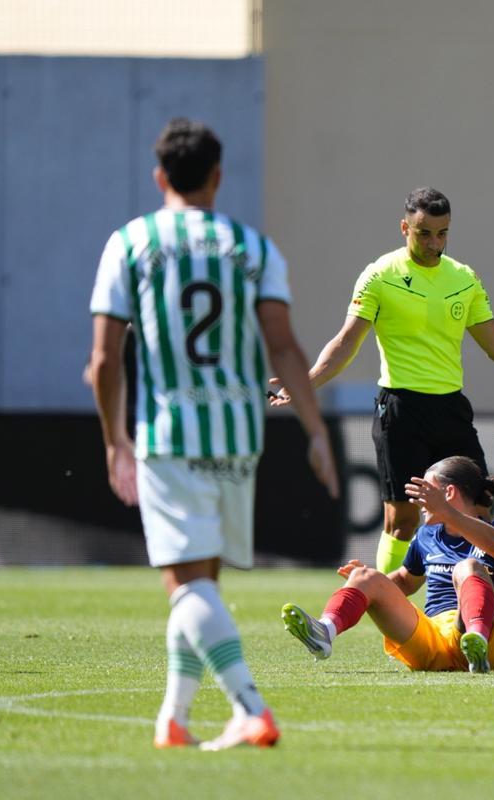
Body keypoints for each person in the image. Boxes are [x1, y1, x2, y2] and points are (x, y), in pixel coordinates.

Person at [89, 118, 341, 750]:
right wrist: (315, 431)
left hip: (170, 433)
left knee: (187, 584)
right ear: (218, 177)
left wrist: (115, 439)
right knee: (201, 581)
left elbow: (105, 359)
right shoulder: (252, 248)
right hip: (237, 435)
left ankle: (250, 707)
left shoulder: (132, 242)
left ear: (160, 177)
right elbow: (284, 346)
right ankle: (174, 719)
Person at [270, 187, 494, 658]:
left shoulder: (463, 278)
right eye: (424, 233)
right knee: (402, 521)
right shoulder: (380, 275)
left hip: (450, 410)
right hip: (399, 408)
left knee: (479, 513)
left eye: (442, 234)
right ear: (405, 227)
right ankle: (392, 617)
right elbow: (346, 342)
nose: (434, 243)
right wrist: (306, 382)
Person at [281, 456, 494, 673]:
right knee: (366, 576)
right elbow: (405, 581)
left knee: (468, 567)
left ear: (449, 493)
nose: (418, 502)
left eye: (426, 490)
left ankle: (476, 641)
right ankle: (324, 632)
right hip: (434, 639)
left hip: (491, 642)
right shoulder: (426, 536)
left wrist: (447, 512)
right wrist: (364, 584)